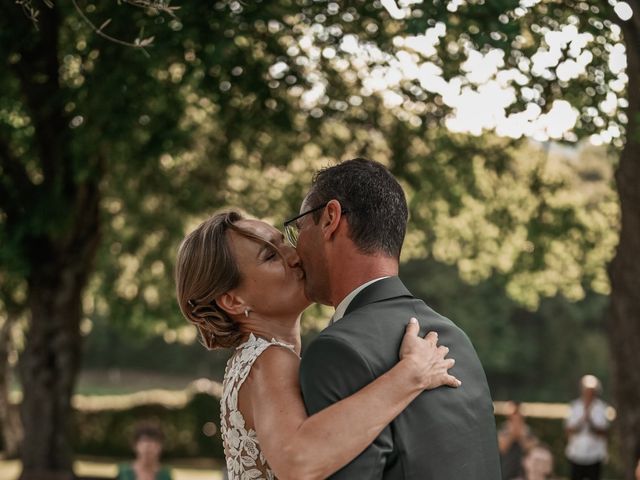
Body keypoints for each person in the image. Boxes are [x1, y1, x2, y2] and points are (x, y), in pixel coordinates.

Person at [175, 211, 461, 480]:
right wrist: (412, 373)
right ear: (233, 301)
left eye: (283, 241)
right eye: (270, 256)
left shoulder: (251, 360)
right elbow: (298, 459)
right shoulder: (270, 357)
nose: (294, 255)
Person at [290, 158, 501, 478]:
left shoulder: (336, 350)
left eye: (298, 227)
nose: (294, 251)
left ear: (330, 219)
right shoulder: (454, 337)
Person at [564, 374, 610, 480]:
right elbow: (568, 430)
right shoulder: (574, 406)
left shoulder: (602, 408)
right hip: (576, 454)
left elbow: (604, 432)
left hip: (595, 456)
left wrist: (591, 423)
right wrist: (581, 422)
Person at [499, 401, 537, 479]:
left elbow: (533, 449)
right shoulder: (504, 429)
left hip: (524, 474)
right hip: (506, 472)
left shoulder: (527, 430)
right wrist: (512, 434)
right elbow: (502, 448)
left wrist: (521, 436)